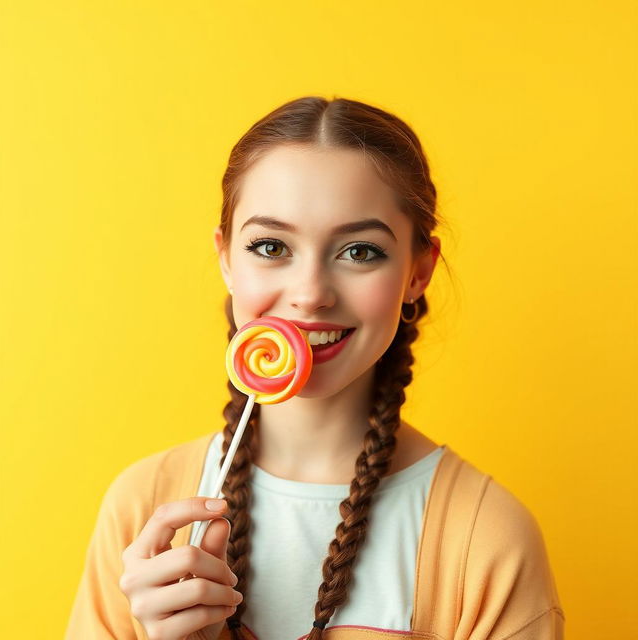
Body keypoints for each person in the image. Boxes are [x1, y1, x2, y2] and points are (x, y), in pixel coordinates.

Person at [65, 96, 565, 640]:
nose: (310, 295)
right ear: (227, 260)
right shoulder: (143, 507)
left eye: (359, 252)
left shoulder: (486, 537)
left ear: (418, 272)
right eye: (271, 245)